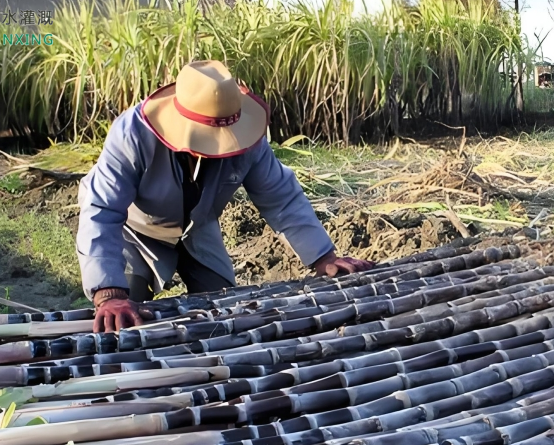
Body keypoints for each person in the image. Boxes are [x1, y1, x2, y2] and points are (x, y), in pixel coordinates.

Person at [76, 60, 373, 332]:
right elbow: (102, 208)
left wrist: (324, 257)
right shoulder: (133, 135)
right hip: (138, 229)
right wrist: (109, 293)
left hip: (199, 227)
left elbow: (280, 197)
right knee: (124, 317)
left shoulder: (248, 140)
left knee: (223, 311)